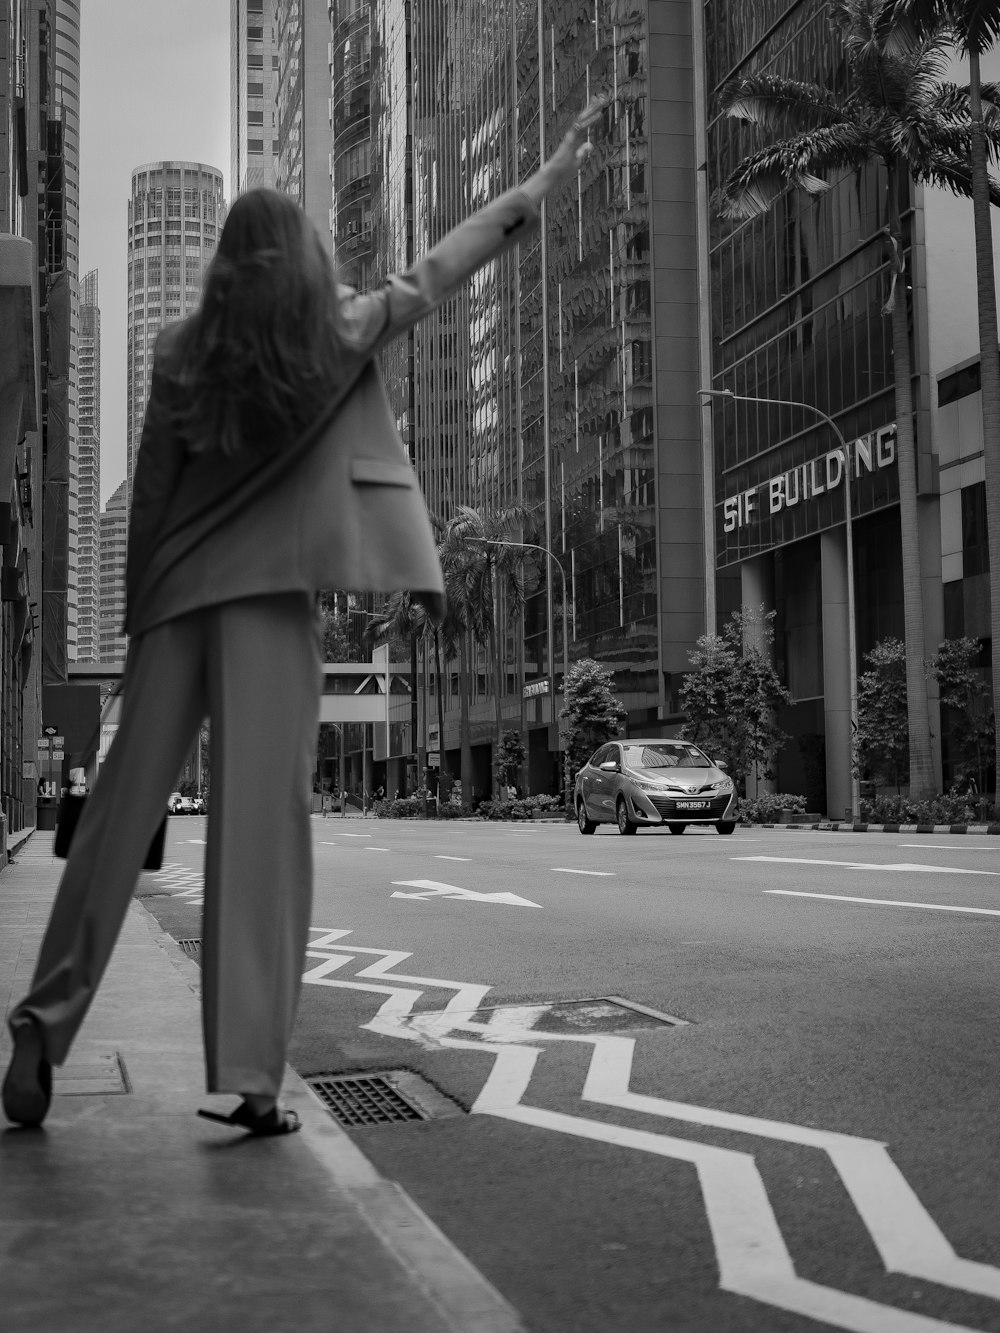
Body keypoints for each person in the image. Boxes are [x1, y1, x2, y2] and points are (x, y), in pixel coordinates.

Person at [2, 100, 603, 1136]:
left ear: (226, 267)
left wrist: (144, 623)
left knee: (111, 824)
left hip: (174, 604)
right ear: (299, 261)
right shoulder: (333, 334)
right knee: (260, 836)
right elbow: (434, 273)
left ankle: (43, 1021)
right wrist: (534, 191)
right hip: (272, 611)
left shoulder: (179, 355)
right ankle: (250, 1078)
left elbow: (148, 499)